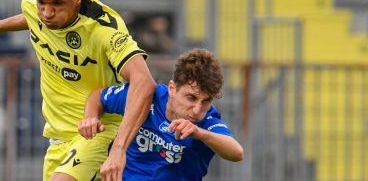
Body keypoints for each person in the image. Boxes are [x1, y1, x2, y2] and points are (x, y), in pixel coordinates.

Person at [0, 0, 156, 181]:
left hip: (99, 132)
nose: (47, 13)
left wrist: (119, 149)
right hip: (57, 139)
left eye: (57, 4)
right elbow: (32, 18)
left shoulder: (104, 28)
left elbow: (144, 82)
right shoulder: (32, 7)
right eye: (42, 3)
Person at [78, 48, 244, 180]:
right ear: (172, 88)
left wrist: (198, 133)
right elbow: (97, 97)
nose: (197, 109)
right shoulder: (147, 96)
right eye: (191, 98)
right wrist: (90, 117)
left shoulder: (207, 121)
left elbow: (236, 153)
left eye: (206, 101)